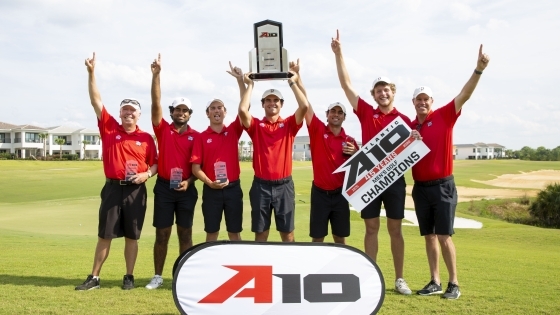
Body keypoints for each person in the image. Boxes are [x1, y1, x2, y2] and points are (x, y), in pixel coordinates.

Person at [331, 29, 413, 295]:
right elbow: (346, 85)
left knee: (395, 229)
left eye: (386, 90)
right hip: (368, 180)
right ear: (374, 94)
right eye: (378, 91)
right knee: (371, 228)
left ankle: (399, 278)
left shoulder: (404, 121)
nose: (382, 94)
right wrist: (339, 53)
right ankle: (371, 275)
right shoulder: (367, 113)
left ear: (393, 92)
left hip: (395, 181)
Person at [411, 45, 490, 300]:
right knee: (429, 235)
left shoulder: (444, 115)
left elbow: (464, 94)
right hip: (420, 188)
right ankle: (434, 280)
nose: (422, 103)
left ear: (431, 102)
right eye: (418, 99)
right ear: (414, 103)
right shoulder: (409, 128)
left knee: (444, 235)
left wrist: (478, 69)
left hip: (443, 186)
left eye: (426, 99)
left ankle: (453, 283)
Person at [76, 52, 158, 291]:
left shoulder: (146, 138)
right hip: (112, 188)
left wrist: (146, 175)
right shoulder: (110, 127)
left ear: (138, 115)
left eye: (133, 110)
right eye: (125, 110)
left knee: (133, 236)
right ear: (120, 113)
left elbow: (155, 164)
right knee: (105, 234)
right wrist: (91, 73)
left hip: (136, 190)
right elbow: (96, 100)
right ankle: (95, 277)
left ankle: (129, 276)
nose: (129, 113)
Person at [289, 59, 358, 244]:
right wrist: (298, 76)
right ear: (327, 115)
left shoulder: (351, 141)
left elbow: (361, 169)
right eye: (332, 112)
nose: (335, 114)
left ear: (344, 117)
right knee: (317, 236)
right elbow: (306, 103)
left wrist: (355, 154)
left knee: (340, 237)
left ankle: (339, 270)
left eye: (339, 112)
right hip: (320, 193)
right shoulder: (318, 130)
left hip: (341, 194)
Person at [145, 54, 199, 290]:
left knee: (185, 234)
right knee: (162, 234)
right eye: (177, 109)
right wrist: (157, 76)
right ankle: (158, 275)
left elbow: (199, 167)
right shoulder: (163, 129)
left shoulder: (195, 136)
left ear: (189, 113)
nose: (181, 113)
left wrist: (188, 181)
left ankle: (183, 275)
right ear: (171, 112)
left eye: (185, 110)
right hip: (165, 188)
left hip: (187, 189)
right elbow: (155, 104)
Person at [238, 68, 309, 242]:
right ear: (262, 104)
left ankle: (289, 268)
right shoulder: (256, 125)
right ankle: (262, 269)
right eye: (268, 100)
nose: (272, 103)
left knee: (287, 234)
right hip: (261, 186)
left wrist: (292, 81)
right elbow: (242, 111)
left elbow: (305, 106)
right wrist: (250, 85)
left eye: (276, 100)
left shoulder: (289, 124)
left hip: (284, 186)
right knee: (261, 234)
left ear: (281, 104)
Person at [190, 63, 246, 242]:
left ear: (225, 112)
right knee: (211, 233)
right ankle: (210, 269)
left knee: (234, 233)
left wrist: (240, 81)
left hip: (233, 189)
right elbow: (196, 168)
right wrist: (209, 182)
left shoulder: (233, 131)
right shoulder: (201, 137)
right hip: (211, 190)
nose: (216, 111)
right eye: (213, 108)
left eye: (219, 108)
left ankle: (238, 265)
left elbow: (245, 108)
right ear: (207, 113)